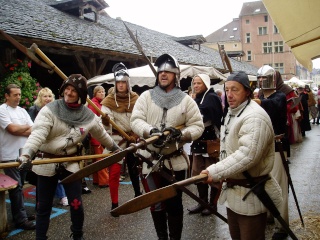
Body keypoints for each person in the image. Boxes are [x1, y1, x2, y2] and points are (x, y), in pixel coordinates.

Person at [17, 74, 121, 240]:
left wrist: (116, 149)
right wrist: (27, 153)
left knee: (76, 204)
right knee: (43, 206)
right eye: (67, 89)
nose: (69, 93)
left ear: (80, 94)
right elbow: (38, 134)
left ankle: (78, 235)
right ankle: (40, 237)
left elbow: (102, 135)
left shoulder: (88, 116)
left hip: (71, 163)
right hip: (47, 161)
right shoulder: (49, 110)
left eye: (74, 90)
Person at [201, 71, 282, 240]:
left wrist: (215, 171)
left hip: (250, 193)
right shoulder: (233, 111)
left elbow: (247, 155)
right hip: (234, 192)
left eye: (235, 90)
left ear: (247, 91)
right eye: (227, 89)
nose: (229, 95)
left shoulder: (254, 117)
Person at [130, 54, 204, 240]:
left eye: (168, 72)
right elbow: (136, 120)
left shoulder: (186, 100)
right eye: (160, 71)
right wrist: (149, 131)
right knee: (156, 204)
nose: (163, 74)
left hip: (174, 162)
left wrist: (182, 134)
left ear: (176, 75)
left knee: (174, 203)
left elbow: (198, 126)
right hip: (150, 160)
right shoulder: (146, 97)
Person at [101, 62, 142, 211]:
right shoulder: (108, 101)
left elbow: (139, 118)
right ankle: (114, 204)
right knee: (115, 173)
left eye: (123, 82)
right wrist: (106, 121)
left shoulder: (136, 98)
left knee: (134, 169)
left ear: (127, 83)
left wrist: (135, 133)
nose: (120, 85)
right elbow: (106, 126)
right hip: (116, 139)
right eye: (118, 82)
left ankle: (138, 195)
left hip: (133, 139)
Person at [256, 66, 289, 240]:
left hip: (276, 146)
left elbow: (274, 106)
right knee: (262, 183)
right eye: (259, 78)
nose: (261, 81)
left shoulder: (279, 96)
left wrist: (257, 102)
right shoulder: (259, 97)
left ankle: (282, 225)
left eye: (264, 78)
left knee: (278, 186)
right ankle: (269, 214)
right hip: (260, 146)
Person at [0, 84, 35, 230]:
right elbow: (12, 129)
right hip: (9, 154)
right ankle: (21, 219)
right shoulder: (2, 109)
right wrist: (21, 129)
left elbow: (34, 129)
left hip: (23, 153)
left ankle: (21, 214)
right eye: (15, 95)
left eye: (20, 94)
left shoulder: (22, 111)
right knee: (17, 187)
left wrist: (18, 130)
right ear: (7, 96)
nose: (18, 97)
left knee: (20, 185)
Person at [187, 74, 223, 216]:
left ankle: (212, 205)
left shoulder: (212, 97)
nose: (195, 86)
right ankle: (202, 203)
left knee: (212, 173)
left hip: (210, 142)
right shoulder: (196, 98)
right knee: (197, 172)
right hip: (198, 141)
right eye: (194, 83)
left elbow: (205, 115)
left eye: (198, 83)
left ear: (206, 84)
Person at [27, 87, 69, 207]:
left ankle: (62, 196)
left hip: (55, 147)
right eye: (45, 96)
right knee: (41, 179)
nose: (47, 98)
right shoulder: (33, 110)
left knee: (58, 174)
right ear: (40, 98)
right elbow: (32, 128)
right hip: (40, 148)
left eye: (50, 96)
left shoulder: (57, 110)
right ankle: (40, 205)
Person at [88, 85, 109, 188]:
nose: (102, 93)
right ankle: (104, 181)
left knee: (97, 159)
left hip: (98, 135)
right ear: (95, 93)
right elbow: (93, 122)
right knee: (101, 159)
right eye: (100, 92)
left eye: (103, 91)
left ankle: (97, 180)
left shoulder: (98, 103)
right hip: (97, 136)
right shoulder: (93, 104)